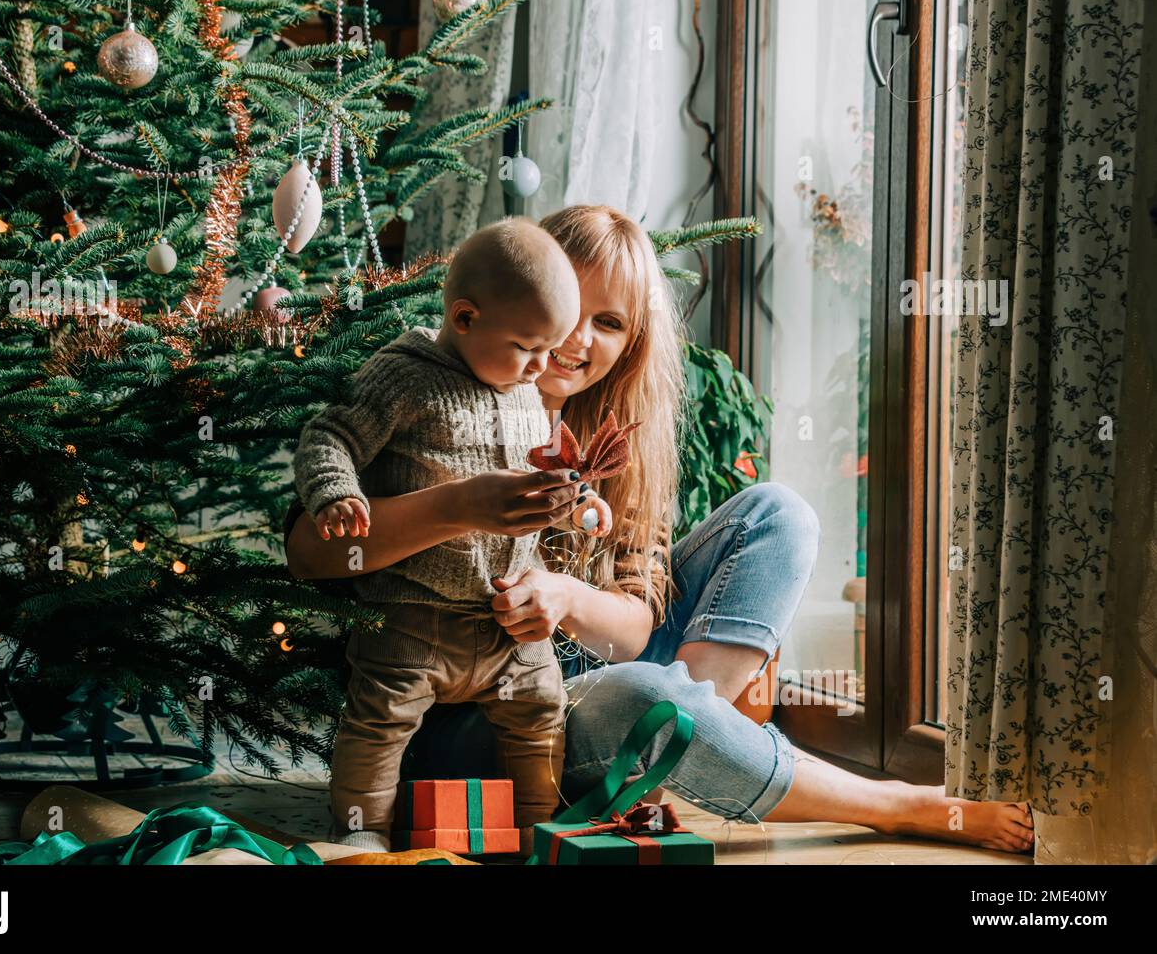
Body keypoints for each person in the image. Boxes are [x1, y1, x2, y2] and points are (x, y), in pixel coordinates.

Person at [285, 205, 1035, 854]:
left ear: (632, 341)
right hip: (462, 712)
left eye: (609, 323)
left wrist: (565, 595)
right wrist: (458, 506)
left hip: (584, 672)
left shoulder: (614, 437)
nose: (576, 340)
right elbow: (311, 556)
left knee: (777, 515)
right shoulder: (425, 385)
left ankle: (673, 746)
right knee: (644, 696)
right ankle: (892, 804)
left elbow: (635, 629)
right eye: (568, 307)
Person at [291, 217, 587, 852]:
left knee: (542, 717)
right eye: (528, 346)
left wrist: (575, 502)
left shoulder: (524, 391)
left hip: (504, 617)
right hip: (412, 614)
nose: (542, 367)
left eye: (551, 350)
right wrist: (336, 493)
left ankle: (541, 835)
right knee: (376, 725)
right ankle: (360, 837)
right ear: (464, 318)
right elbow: (330, 434)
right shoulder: (405, 376)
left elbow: (540, 479)